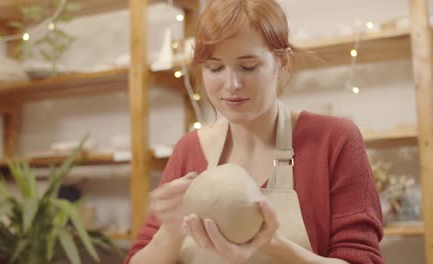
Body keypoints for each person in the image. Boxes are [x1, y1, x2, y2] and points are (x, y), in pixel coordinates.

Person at [125, 0, 384, 263]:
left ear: (282, 62)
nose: (231, 84)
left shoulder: (334, 140)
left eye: (248, 66)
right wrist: (169, 231)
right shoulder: (188, 150)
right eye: (215, 68)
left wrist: (274, 245)